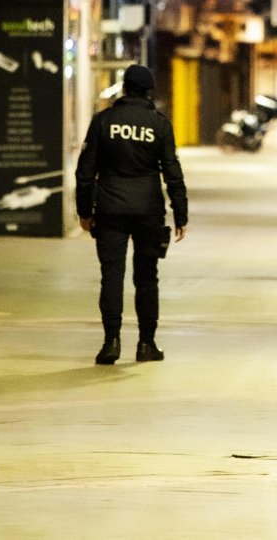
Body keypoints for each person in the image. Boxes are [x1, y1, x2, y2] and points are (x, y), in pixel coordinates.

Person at [75, 63, 188, 366]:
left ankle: (111, 342)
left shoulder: (103, 121)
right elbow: (172, 173)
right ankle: (146, 344)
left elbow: (84, 172)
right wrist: (181, 213)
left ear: (124, 88)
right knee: (147, 278)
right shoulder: (159, 125)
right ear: (149, 91)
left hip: (110, 209)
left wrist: (84, 211)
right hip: (148, 211)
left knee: (111, 276)